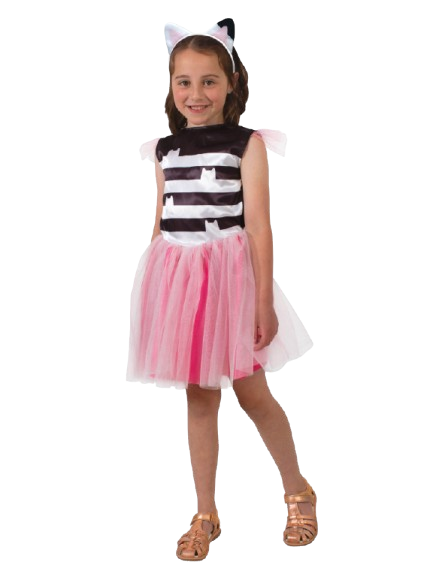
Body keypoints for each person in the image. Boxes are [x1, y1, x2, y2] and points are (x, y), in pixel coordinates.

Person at [126, 18, 318, 560]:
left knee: (252, 393)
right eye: (184, 82)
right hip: (179, 286)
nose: (196, 93)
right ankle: (205, 511)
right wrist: (156, 299)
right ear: (171, 86)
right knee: (199, 397)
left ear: (231, 83)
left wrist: (263, 303)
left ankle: (298, 490)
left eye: (209, 81)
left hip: (232, 284)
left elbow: (258, 227)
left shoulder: (247, 144)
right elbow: (161, 224)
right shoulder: (163, 151)